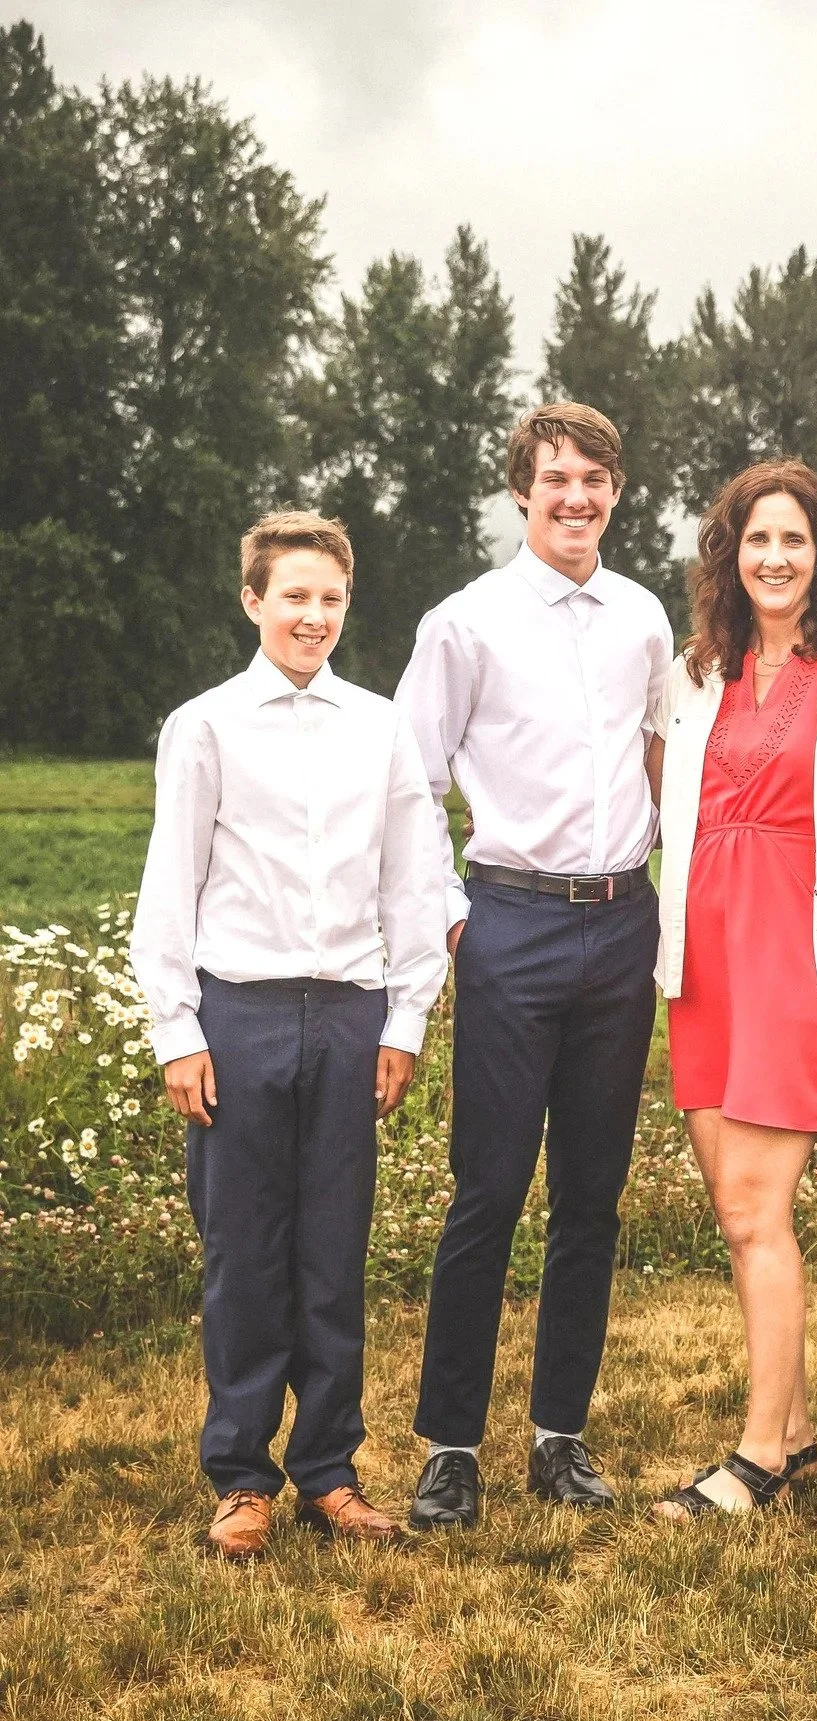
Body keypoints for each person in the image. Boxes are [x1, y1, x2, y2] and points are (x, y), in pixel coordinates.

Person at [131, 511, 448, 1560]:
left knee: (331, 1253)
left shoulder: (380, 727)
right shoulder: (207, 726)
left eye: (330, 598)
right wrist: (180, 1029)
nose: (313, 615)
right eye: (294, 595)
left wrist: (402, 1017)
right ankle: (240, 1475)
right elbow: (169, 886)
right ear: (254, 600)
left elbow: (413, 877)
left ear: (347, 606)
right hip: (243, 1012)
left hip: (350, 1013)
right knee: (243, 1254)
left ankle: (328, 1468)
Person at [396, 403, 673, 1527]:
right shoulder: (464, 623)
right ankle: (450, 1446)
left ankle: (560, 1433)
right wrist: (456, 916)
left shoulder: (644, 617)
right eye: (557, 478)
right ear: (524, 490)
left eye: (596, 480)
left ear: (616, 491)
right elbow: (410, 781)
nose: (577, 498)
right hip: (510, 921)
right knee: (489, 1189)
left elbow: (665, 758)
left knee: (591, 1197)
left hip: (622, 922)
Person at [646, 460, 817, 1517]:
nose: (774, 558)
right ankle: (795, 1429)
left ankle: (757, 1455)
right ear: (730, 552)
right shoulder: (692, 673)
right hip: (703, 959)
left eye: (794, 541)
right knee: (732, 1204)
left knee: (761, 1207)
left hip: (798, 956)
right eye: (757, 539)